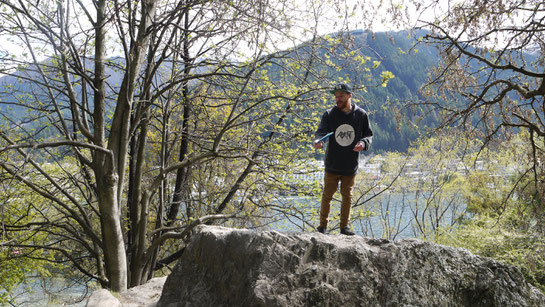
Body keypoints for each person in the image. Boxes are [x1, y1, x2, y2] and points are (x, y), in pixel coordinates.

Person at [313, 83, 373, 235]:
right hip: (332, 163)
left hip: (350, 164)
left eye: (341, 96)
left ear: (349, 96)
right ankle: (322, 227)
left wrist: (363, 143)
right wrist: (318, 141)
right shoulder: (329, 114)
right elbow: (320, 133)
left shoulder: (361, 115)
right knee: (327, 196)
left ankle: (344, 227)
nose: (337, 99)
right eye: (336, 96)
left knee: (348, 196)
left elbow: (368, 135)